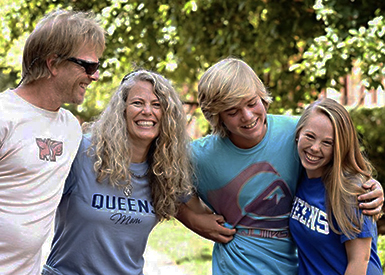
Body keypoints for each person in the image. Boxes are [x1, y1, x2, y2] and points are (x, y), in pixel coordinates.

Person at [176, 57, 384, 275]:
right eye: (232, 111)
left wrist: (370, 187)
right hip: (236, 267)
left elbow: (340, 161)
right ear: (216, 116)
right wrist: (192, 219)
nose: (247, 116)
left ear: (262, 97)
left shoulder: (298, 133)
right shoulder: (198, 155)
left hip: (295, 267)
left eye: (251, 103)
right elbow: (158, 188)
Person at [42, 69, 194, 274]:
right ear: (121, 110)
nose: (147, 111)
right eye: (138, 103)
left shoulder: (165, 169)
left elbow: (201, 214)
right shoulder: (82, 152)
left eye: (157, 105)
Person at [0, 9, 105, 275]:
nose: (95, 76)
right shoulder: (4, 116)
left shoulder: (71, 128)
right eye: (89, 66)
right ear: (53, 63)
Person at [289, 98, 382, 274]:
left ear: (340, 147)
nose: (315, 148)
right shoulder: (297, 174)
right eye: (310, 136)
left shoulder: (351, 190)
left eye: (327, 143)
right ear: (298, 133)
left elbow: (359, 261)